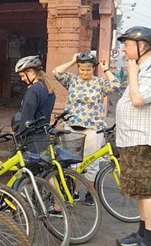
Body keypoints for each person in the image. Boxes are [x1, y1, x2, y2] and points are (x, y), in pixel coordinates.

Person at [115, 26, 151, 246]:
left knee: (147, 191)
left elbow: (138, 100)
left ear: (142, 46)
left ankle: (149, 239)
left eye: (127, 44)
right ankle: (141, 233)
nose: (123, 49)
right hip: (132, 139)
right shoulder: (142, 67)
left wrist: (131, 73)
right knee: (139, 190)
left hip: (143, 140)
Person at [53, 52, 119, 206]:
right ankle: (74, 192)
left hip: (92, 128)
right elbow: (56, 72)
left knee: (91, 162)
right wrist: (72, 60)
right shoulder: (72, 80)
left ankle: (90, 193)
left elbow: (116, 85)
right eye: (81, 69)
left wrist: (106, 69)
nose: (84, 73)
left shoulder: (100, 83)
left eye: (88, 70)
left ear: (93, 69)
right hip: (72, 126)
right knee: (74, 163)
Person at [14, 55, 56, 138]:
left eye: (23, 75)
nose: (22, 79)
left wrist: (19, 136)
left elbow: (27, 116)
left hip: (32, 137)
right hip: (43, 134)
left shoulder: (34, 90)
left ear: (31, 72)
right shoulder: (48, 88)